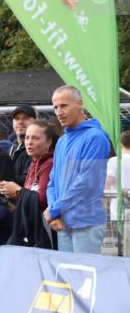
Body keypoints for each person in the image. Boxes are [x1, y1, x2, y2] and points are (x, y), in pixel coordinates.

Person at [45, 85, 112, 255]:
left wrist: (54, 209)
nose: (59, 112)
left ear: (80, 104)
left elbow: (87, 183)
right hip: (63, 222)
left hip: (86, 223)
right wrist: (54, 210)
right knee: (68, 272)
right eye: (55, 107)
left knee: (87, 271)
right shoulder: (62, 141)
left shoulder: (95, 137)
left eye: (64, 105)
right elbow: (53, 181)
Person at [0, 120, 58, 249]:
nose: (29, 142)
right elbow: (29, 195)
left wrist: (18, 191)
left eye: (35, 138)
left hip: (45, 229)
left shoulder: (49, 164)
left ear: (48, 142)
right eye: (27, 137)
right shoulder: (34, 163)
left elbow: (42, 200)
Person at [106, 130, 130, 256]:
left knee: (121, 249)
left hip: (118, 211)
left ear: (120, 143)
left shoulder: (114, 161)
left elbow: (108, 182)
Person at [9, 104, 36, 183]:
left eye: (25, 118)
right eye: (17, 119)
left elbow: (29, 179)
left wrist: (5, 179)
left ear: (35, 121)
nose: (20, 122)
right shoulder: (11, 148)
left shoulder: (37, 147)